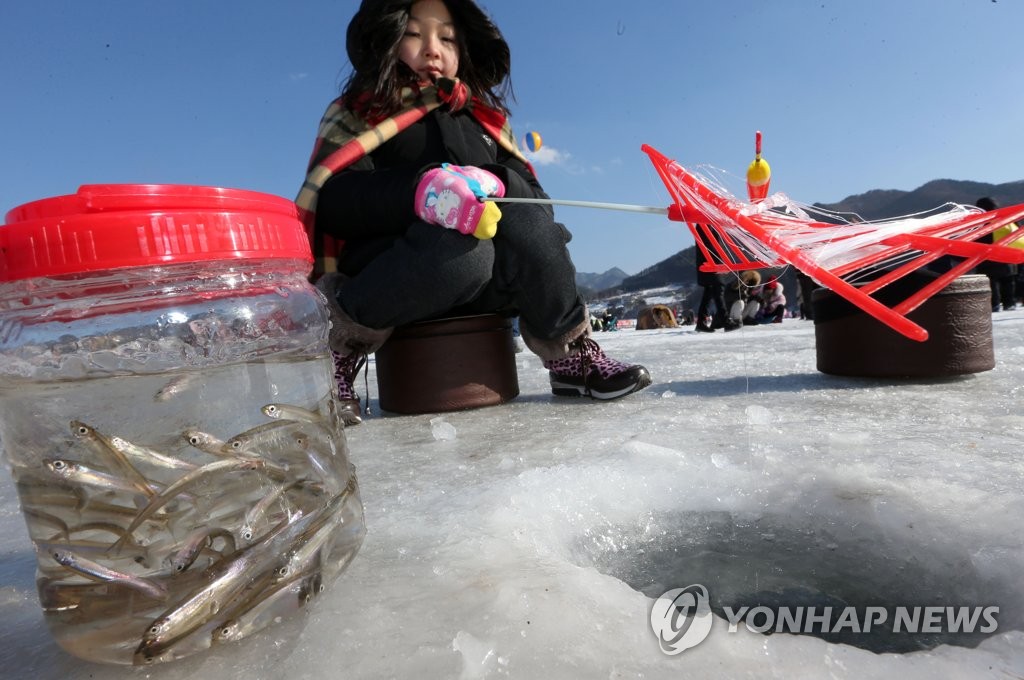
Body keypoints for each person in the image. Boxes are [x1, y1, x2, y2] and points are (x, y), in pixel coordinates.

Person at [297, 0, 651, 424]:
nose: (433, 49)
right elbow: (334, 202)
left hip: (489, 287)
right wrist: (419, 189)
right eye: (414, 33)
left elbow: (539, 200)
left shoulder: (486, 121)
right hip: (401, 273)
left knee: (530, 222)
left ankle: (569, 351)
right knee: (465, 251)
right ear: (386, 38)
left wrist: (500, 181)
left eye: (447, 38)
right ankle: (342, 348)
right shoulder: (360, 113)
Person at [975, 197, 1018, 312]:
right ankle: (1010, 303)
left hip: (987, 257)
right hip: (1007, 255)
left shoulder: (980, 221)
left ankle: (994, 304)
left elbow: (976, 239)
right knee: (1008, 281)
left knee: (991, 282)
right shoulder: (1005, 217)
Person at [693, 230, 739, 333]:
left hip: (708, 263)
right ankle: (726, 322)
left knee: (709, 293)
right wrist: (722, 264)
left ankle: (701, 322)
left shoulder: (704, 224)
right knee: (718, 290)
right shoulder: (705, 224)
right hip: (711, 263)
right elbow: (712, 247)